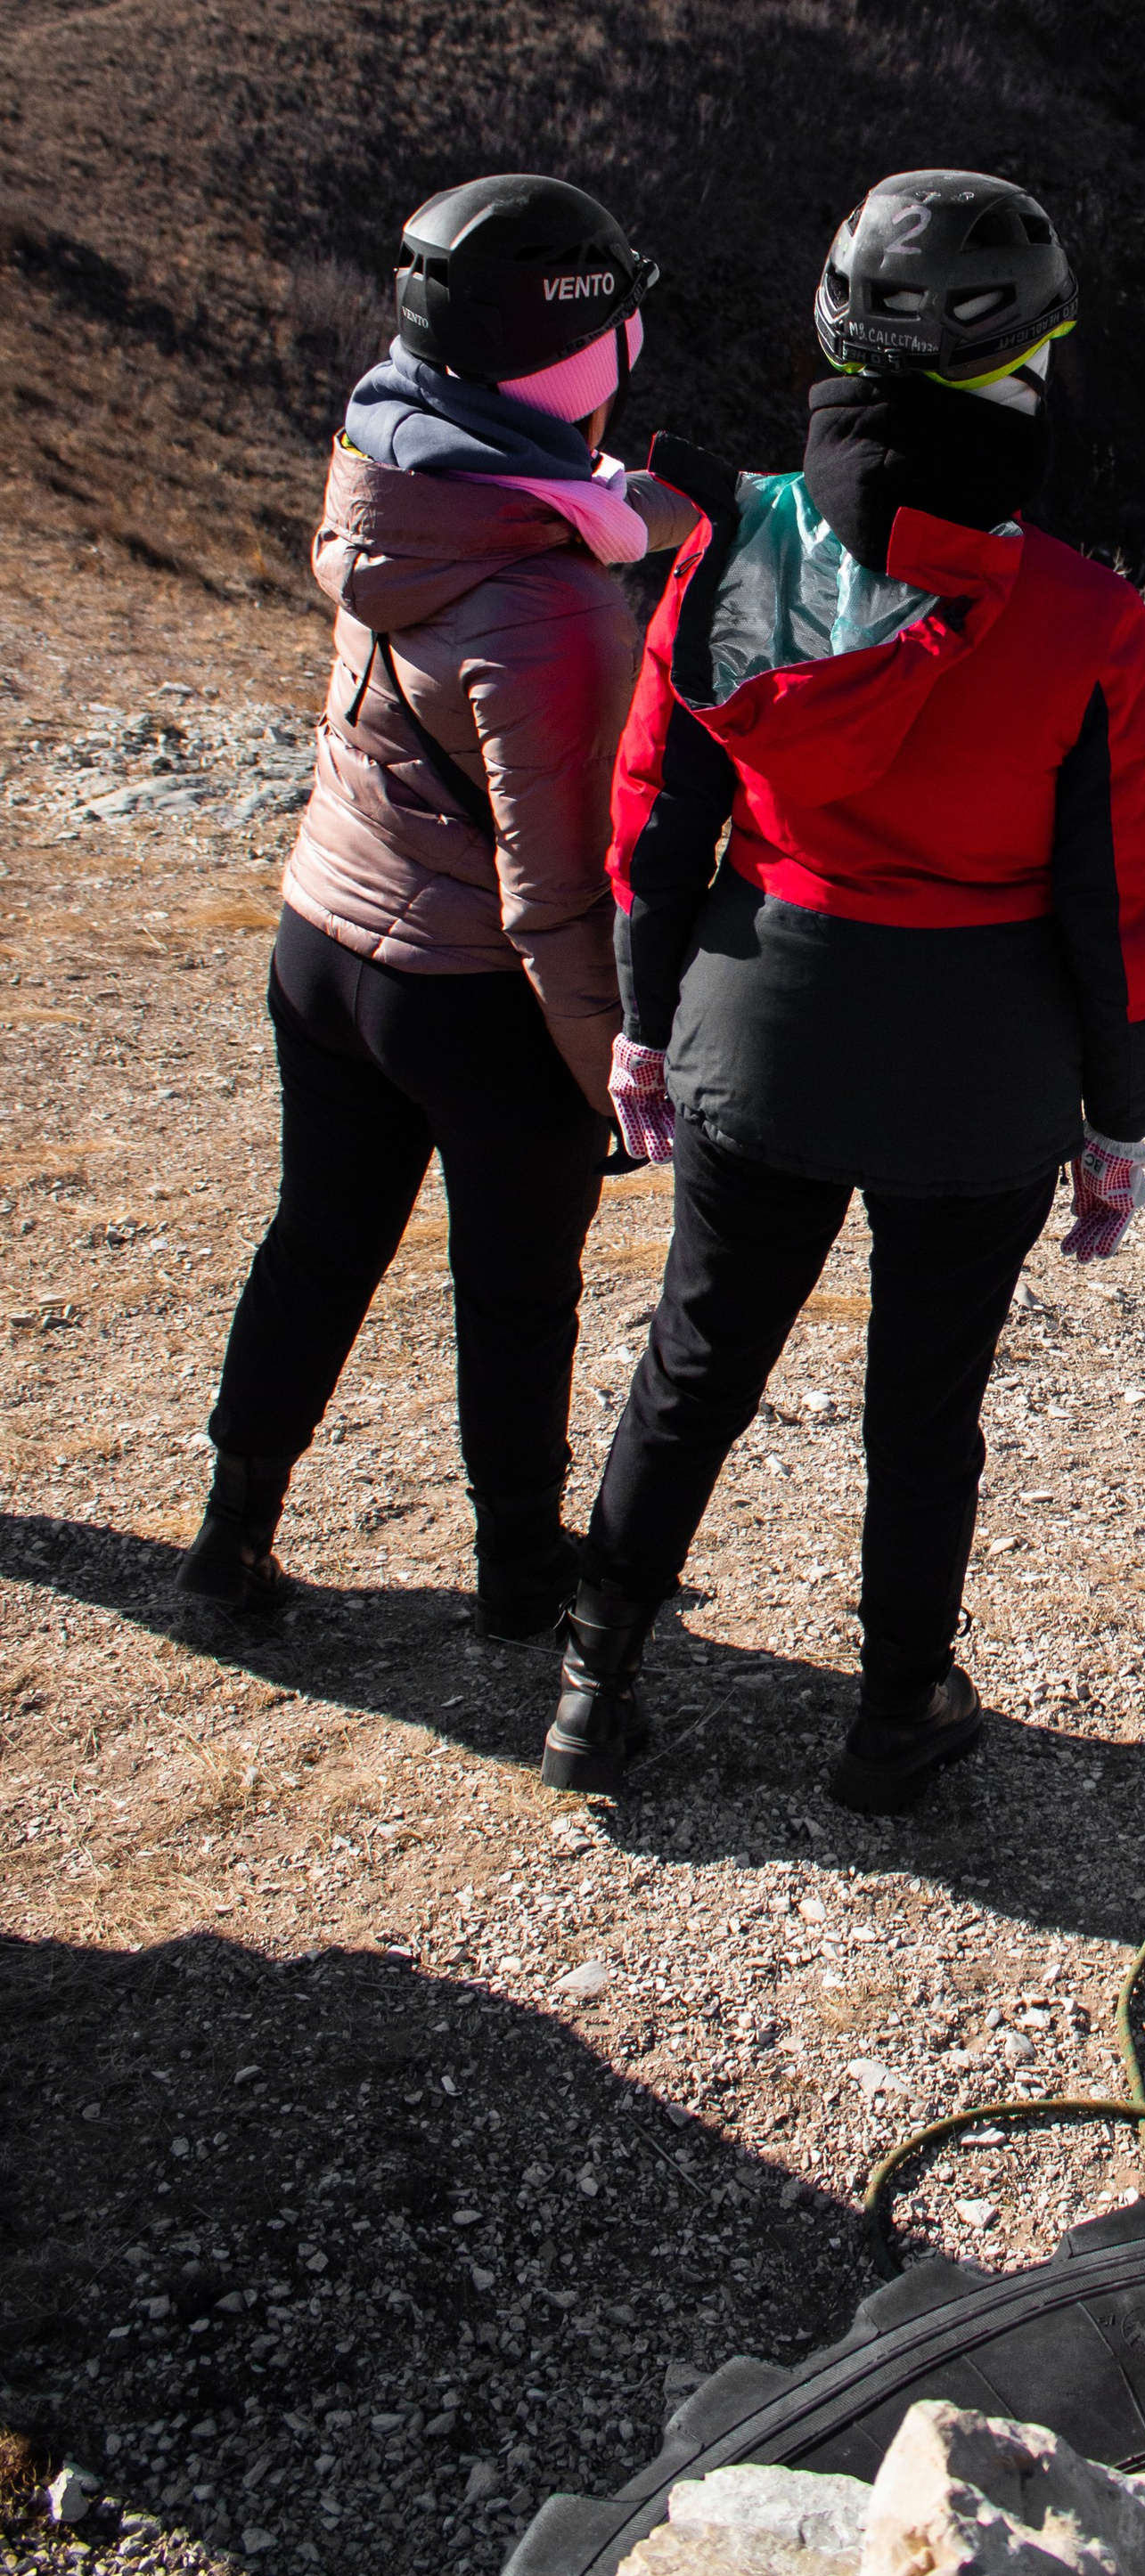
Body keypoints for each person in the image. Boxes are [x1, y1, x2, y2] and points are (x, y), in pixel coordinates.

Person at [538, 167, 1145, 1811]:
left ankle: (591, 1687)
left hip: (760, 1015)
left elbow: (656, 817)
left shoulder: (733, 543)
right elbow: (1123, 905)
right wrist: (1117, 1121)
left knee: (698, 1359)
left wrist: (639, 1016)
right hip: (980, 1064)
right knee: (925, 1406)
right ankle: (895, 1719)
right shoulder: (1088, 623)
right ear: (1023, 369)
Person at [183, 175, 698, 1633]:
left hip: (323, 938)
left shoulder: (395, 481)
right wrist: (614, 1064)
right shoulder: (549, 612)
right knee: (516, 1290)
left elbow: (544, 517)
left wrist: (639, 516)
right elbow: (547, 900)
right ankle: (522, 1576)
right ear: (586, 346)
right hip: (468, 987)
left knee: (318, 1241)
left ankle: (230, 1540)